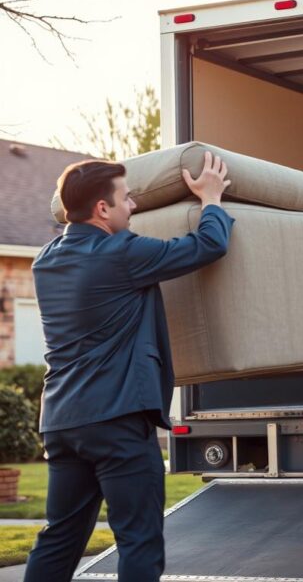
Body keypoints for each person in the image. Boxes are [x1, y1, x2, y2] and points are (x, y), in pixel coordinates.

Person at [24, 152, 234, 582]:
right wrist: (211, 199)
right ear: (102, 209)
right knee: (138, 539)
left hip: (63, 422)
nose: (134, 206)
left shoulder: (46, 260)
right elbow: (207, 246)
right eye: (127, 199)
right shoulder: (121, 252)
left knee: (59, 540)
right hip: (117, 420)